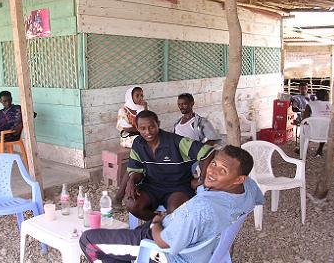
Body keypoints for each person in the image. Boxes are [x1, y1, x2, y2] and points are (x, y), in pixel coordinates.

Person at [79, 145, 264, 263]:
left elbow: (164, 242)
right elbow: (255, 198)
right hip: (199, 245)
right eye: (214, 163)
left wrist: (156, 222)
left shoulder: (200, 209)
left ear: (239, 178)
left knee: (88, 240)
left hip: (163, 250)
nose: (212, 172)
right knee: (124, 236)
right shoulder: (248, 188)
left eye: (222, 170)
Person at [125, 110, 215, 221]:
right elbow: (137, 170)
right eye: (142, 128)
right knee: (132, 204)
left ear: (158, 124)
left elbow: (208, 152)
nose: (148, 132)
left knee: (175, 211)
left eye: (151, 127)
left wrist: (201, 180)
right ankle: (160, 223)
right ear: (137, 128)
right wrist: (131, 181)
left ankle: (166, 230)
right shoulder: (138, 144)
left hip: (178, 187)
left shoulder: (175, 141)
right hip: (151, 186)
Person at [114, 87, 148, 207]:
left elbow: (147, 121)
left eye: (141, 96)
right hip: (128, 138)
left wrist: (145, 109)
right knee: (143, 144)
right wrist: (142, 130)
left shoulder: (142, 108)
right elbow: (126, 127)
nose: (140, 98)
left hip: (141, 136)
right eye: (137, 96)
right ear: (130, 96)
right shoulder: (123, 110)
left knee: (145, 143)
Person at [301, 89, 331, 157]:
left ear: (316, 96)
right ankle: (320, 150)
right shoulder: (332, 105)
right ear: (326, 96)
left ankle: (303, 149)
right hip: (328, 134)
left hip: (312, 134)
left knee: (304, 126)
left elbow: (304, 120)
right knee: (325, 126)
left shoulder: (310, 105)